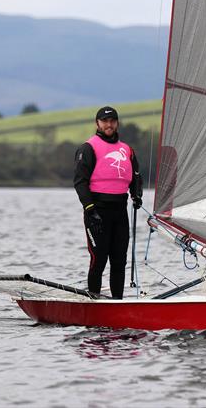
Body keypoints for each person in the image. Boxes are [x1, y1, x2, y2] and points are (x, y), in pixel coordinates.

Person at [73, 106, 142, 299]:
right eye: (104, 121)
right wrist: (90, 209)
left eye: (112, 121)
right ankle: (94, 300)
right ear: (98, 124)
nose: (108, 124)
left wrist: (137, 194)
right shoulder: (88, 148)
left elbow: (136, 176)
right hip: (97, 211)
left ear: (117, 123)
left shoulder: (127, 150)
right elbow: (80, 183)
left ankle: (117, 303)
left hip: (120, 211)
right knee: (99, 260)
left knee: (119, 261)